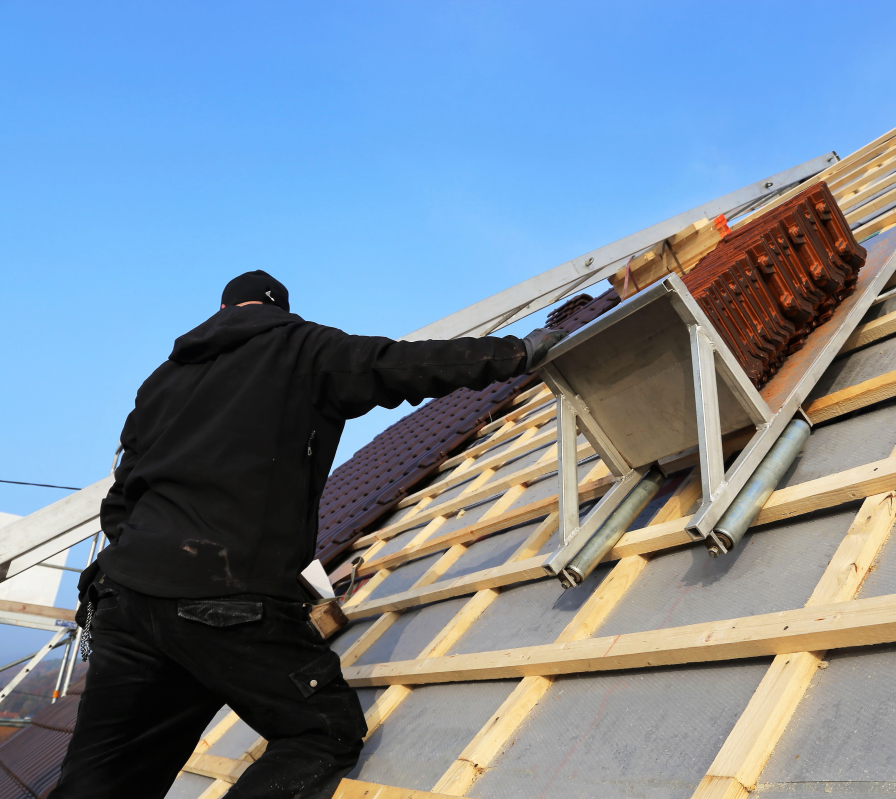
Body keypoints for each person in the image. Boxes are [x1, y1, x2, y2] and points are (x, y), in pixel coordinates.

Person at [50, 271, 567, 799]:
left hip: (124, 595)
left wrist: (151, 552)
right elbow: (404, 366)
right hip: (224, 593)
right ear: (280, 309)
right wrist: (518, 353)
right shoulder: (301, 346)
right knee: (321, 731)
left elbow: (121, 499)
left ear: (224, 310)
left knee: (107, 772)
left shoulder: (162, 380)